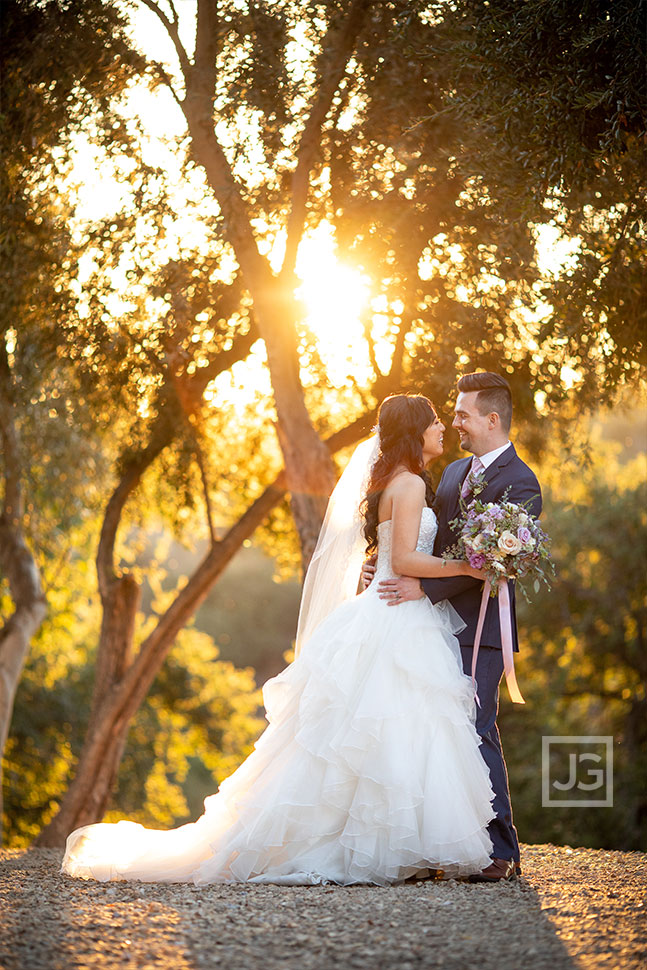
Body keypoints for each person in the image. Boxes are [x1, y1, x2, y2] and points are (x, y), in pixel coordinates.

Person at [62, 394, 496, 886]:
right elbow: (407, 560)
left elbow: (388, 556)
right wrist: (470, 565)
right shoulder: (412, 483)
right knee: (391, 727)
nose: (442, 428)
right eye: (436, 421)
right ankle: (381, 850)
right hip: (398, 615)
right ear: (416, 430)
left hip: (391, 609)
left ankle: (396, 848)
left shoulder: (393, 482)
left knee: (377, 733)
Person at [369, 373, 542, 882]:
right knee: (440, 731)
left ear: (492, 418)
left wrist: (424, 587)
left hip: (482, 625)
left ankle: (500, 851)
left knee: (477, 726)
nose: (455, 422)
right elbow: (431, 548)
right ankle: (440, 842)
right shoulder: (449, 475)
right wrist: (385, 566)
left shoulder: (521, 481)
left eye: (463, 414)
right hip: (433, 625)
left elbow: (499, 564)